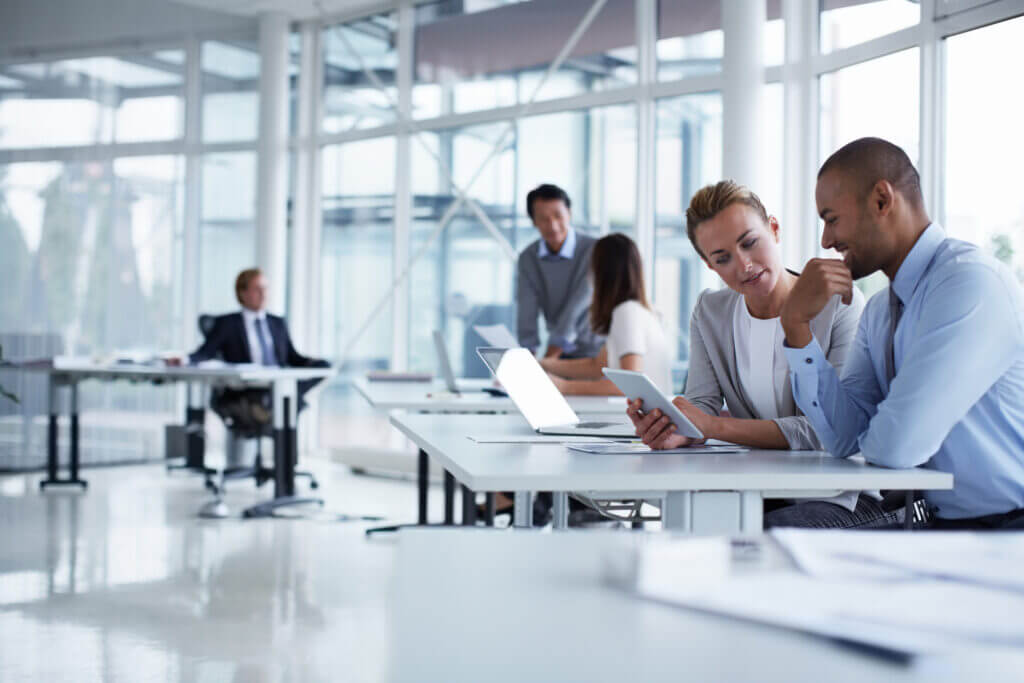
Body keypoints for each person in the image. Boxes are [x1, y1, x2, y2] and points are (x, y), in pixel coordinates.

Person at [776, 137, 1024, 530]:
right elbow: (843, 438)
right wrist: (795, 327)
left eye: (831, 218)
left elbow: (895, 447)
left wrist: (876, 431)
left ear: (881, 200)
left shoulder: (969, 284)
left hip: (1009, 533)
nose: (825, 240)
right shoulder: (879, 312)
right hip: (945, 529)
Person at [628, 180, 894, 529]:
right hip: (763, 490)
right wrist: (677, 427)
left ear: (774, 229)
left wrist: (713, 426)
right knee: (692, 526)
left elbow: (829, 430)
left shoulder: (839, 304)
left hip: (842, 495)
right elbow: (701, 404)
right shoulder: (711, 311)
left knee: (749, 536)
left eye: (750, 243)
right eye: (722, 258)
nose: (743, 265)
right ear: (710, 266)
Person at [183, 268, 329, 429]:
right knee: (284, 399)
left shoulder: (277, 323)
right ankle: (281, 398)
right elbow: (205, 353)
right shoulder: (228, 323)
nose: (263, 294)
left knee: (320, 369)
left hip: (277, 383)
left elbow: (292, 357)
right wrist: (184, 360)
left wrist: (317, 363)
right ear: (242, 293)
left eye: (265, 288)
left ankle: (285, 395)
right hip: (247, 389)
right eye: (257, 289)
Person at [541, 233, 672, 396]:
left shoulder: (627, 313)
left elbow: (631, 386)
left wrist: (565, 387)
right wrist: (542, 365)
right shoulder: (640, 311)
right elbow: (596, 366)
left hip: (640, 418)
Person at [516, 184, 603, 359]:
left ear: (569, 214)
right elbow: (527, 309)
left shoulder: (594, 250)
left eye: (558, 216)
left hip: (597, 351)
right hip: (560, 353)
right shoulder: (528, 258)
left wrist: (549, 358)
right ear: (533, 221)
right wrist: (526, 359)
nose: (553, 226)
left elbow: (578, 304)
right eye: (543, 219)